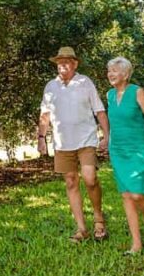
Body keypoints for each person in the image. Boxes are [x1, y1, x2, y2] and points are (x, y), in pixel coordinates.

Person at [37, 47, 110, 242]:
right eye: (59, 61)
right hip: (62, 143)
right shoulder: (50, 86)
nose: (62, 64)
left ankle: (99, 219)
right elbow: (45, 115)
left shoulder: (85, 82)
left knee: (90, 178)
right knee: (70, 181)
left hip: (86, 139)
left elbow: (99, 110)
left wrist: (106, 135)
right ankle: (81, 229)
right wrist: (41, 138)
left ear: (75, 64)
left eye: (67, 61)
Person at [106, 57, 144, 255]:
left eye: (115, 71)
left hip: (138, 149)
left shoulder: (137, 92)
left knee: (137, 194)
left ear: (126, 74)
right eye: (109, 71)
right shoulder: (110, 95)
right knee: (126, 195)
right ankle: (136, 243)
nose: (110, 74)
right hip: (118, 151)